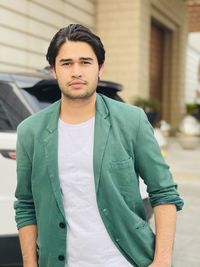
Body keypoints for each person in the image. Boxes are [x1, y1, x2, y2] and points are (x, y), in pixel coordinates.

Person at [14, 24, 184, 267]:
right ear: (54, 70)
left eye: (85, 62)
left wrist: (162, 261)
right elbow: (26, 204)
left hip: (126, 259)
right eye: (66, 63)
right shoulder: (30, 131)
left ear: (100, 68)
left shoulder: (131, 120)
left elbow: (164, 192)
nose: (76, 71)